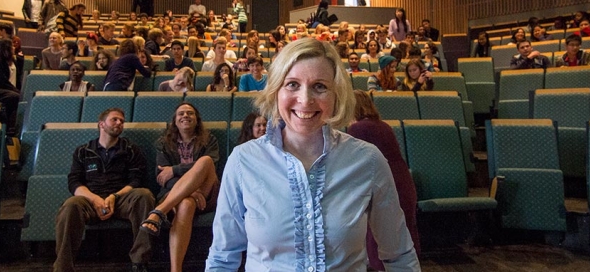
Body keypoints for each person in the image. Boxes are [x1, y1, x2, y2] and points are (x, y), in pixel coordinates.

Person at [205, 38, 420, 271]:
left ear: (336, 95)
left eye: (320, 86)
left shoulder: (367, 160)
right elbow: (222, 258)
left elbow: (400, 256)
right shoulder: (243, 161)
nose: (305, 100)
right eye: (292, 84)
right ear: (275, 90)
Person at [54, 108, 154, 272]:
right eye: (114, 119)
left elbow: (136, 180)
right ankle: (63, 267)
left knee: (144, 196)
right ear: (101, 124)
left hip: (122, 198)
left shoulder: (131, 149)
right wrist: (95, 199)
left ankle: (140, 262)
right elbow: (74, 182)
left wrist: (114, 197)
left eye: (122, 121)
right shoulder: (83, 151)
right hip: (90, 198)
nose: (119, 123)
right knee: (70, 205)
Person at [140, 102, 219, 272]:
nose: (185, 116)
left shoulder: (209, 140)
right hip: (176, 195)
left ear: (197, 120)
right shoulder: (163, 143)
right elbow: (163, 178)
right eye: (181, 114)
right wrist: (189, 191)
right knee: (185, 204)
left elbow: (210, 166)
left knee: (205, 161)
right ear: (175, 121)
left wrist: (175, 169)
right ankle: (176, 269)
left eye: (190, 113)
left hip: (206, 192)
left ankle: (159, 212)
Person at [348, 89, 422, 270]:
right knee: (401, 231)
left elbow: (353, 163)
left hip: (380, 184)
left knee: (378, 234)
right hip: (401, 181)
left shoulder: (358, 128)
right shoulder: (383, 125)